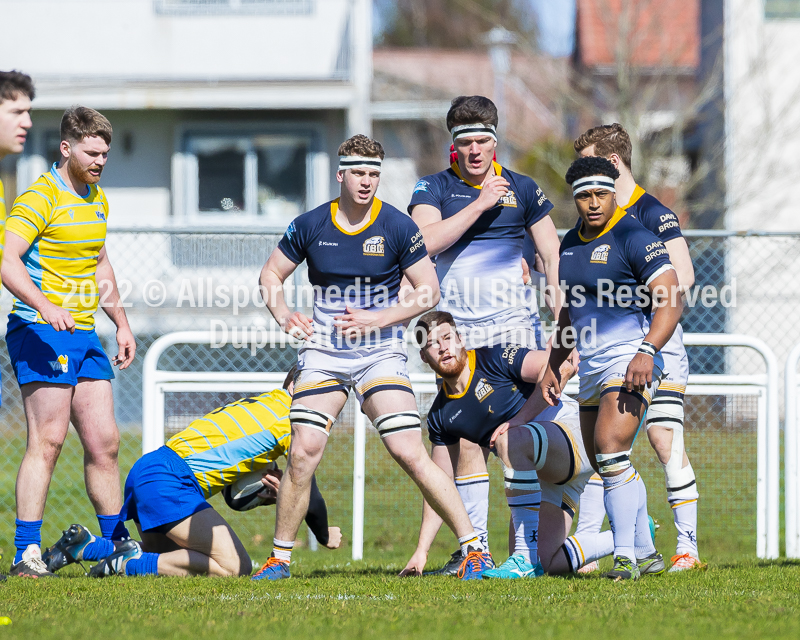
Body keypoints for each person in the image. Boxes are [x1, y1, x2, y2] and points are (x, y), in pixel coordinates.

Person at [255, 134, 492, 581]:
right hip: (324, 352)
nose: (367, 182)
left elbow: (429, 290)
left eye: (374, 174)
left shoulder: (398, 227)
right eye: (359, 173)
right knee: (303, 451)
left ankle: (475, 548)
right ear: (341, 174)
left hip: (379, 352)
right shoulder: (310, 224)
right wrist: (283, 311)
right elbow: (271, 273)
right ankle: (279, 559)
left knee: (407, 449)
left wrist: (376, 319)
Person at [408, 95, 562, 572]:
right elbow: (423, 242)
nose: (475, 150)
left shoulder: (524, 188)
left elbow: (551, 251)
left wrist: (557, 296)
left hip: (515, 331)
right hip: (460, 339)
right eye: (465, 142)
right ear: (453, 145)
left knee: (524, 436)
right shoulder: (432, 188)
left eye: (483, 140)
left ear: (496, 140)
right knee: (464, 444)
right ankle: (473, 548)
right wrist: (478, 206)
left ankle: (529, 549)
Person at [41, 367, 342, 577]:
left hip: (152, 469)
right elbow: (309, 492)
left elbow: (234, 496)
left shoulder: (264, 404)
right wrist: (324, 533)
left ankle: (89, 547)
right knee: (235, 566)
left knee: (169, 558)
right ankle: (123, 563)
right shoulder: (290, 419)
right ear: (300, 387)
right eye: (326, 391)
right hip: (171, 481)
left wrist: (273, 495)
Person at [2, 106, 136, 577]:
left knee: (105, 442)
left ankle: (117, 545)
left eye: (105, 153)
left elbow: (100, 265)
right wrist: (44, 305)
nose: (100, 161)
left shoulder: (97, 198)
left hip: (83, 332)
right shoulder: (40, 197)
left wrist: (120, 322)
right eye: (91, 152)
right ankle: (26, 553)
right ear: (66, 147)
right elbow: (7, 260)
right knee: (50, 439)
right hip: (38, 330)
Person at [540, 155, 683, 580]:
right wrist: (554, 363)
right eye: (584, 195)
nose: (594, 202)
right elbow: (569, 312)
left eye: (602, 192)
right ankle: (647, 550)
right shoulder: (569, 244)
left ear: (613, 191)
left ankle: (624, 558)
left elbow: (671, 299)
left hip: (630, 358)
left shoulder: (634, 236)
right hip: (590, 366)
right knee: (608, 461)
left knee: (610, 449)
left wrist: (647, 351)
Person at [573, 123, 703, 572]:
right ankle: (630, 540)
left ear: (611, 163)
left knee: (662, 436)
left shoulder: (651, 212)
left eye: (590, 162)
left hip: (659, 345)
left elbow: (681, 279)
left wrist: (643, 335)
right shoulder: (592, 212)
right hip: (612, 352)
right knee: (604, 449)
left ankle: (687, 546)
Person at [399, 311, 614, 578]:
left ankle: (521, 558)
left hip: (573, 438)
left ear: (460, 338)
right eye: (433, 343)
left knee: (510, 439)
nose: (443, 347)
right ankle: (633, 533)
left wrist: (519, 419)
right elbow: (438, 484)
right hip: (541, 475)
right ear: (423, 356)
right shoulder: (441, 416)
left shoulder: (493, 358)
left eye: (447, 337)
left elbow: (557, 367)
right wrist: (422, 551)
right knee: (548, 563)